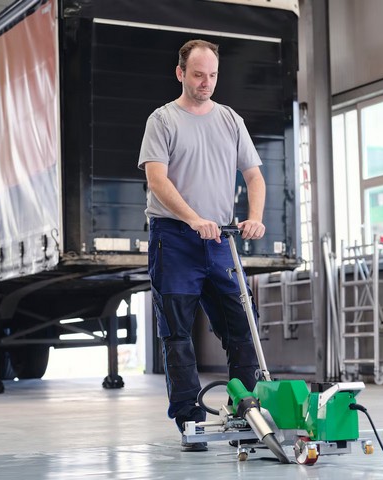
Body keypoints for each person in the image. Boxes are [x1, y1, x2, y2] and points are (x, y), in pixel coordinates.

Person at [137, 39, 266, 452]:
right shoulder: (162, 120)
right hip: (174, 239)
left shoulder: (230, 120)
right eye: (197, 75)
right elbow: (157, 179)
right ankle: (190, 421)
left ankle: (245, 412)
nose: (205, 82)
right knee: (177, 333)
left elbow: (254, 176)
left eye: (212, 75)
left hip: (221, 240)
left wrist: (255, 217)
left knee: (243, 327)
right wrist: (193, 219)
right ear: (180, 73)